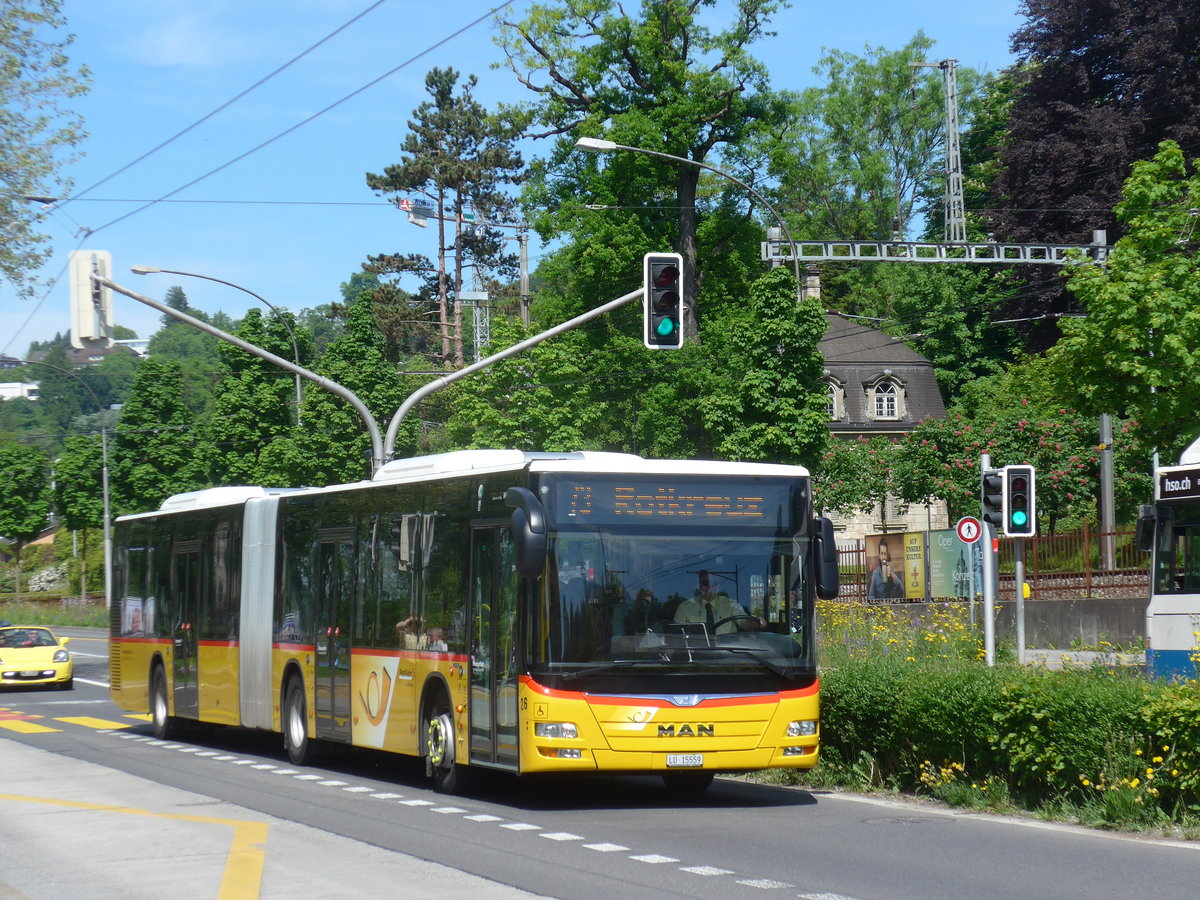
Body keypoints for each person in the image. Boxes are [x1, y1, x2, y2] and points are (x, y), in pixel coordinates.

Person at [673, 571, 753, 634]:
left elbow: (744, 622)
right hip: (696, 652)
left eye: (715, 583)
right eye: (706, 583)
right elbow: (675, 634)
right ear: (698, 586)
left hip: (728, 652)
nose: (710, 586)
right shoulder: (685, 607)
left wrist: (755, 624)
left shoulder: (731, 605)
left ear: (719, 587)